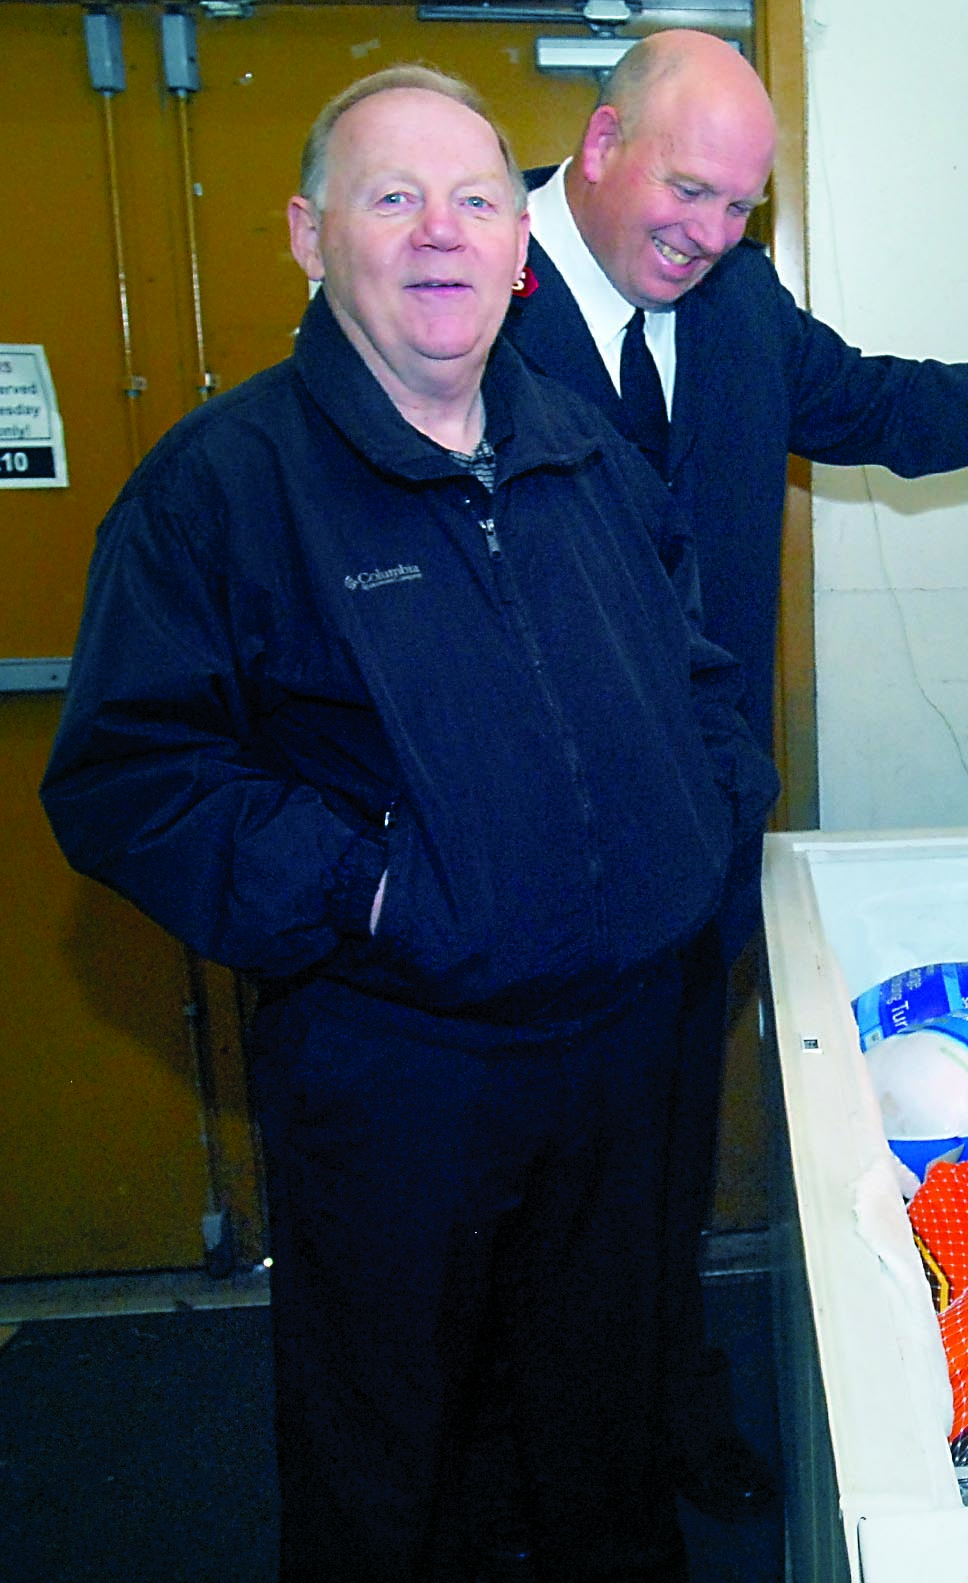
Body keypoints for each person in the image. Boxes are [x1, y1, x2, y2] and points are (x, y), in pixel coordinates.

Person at [41, 66, 772, 1582]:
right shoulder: (218, 492)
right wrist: (376, 893)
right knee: (389, 1455)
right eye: (394, 197)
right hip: (395, 1071)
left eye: (477, 201)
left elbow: (697, 677)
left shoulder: (589, 456)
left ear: (521, 244)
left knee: (601, 1427)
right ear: (311, 237)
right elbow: (130, 778)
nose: (441, 235)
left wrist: (696, 825)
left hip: (622, 1051)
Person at [501, 27, 968, 1511]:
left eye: (741, 206)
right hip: (520, 870)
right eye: (686, 192)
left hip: (697, 849)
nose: (709, 235)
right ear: (598, 145)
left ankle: (667, 1417)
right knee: (539, 1190)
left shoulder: (737, 301)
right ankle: (533, 1480)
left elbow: (889, 409)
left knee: (673, 1160)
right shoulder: (473, 296)